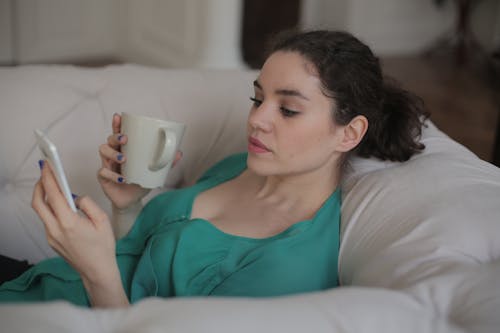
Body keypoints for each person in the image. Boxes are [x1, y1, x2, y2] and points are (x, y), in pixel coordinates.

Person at [0, 30, 428, 307]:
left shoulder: (289, 266)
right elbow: (139, 264)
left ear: (349, 134)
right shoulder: (241, 166)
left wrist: (96, 271)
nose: (258, 120)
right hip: (34, 282)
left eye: (289, 109)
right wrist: (128, 207)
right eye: (258, 99)